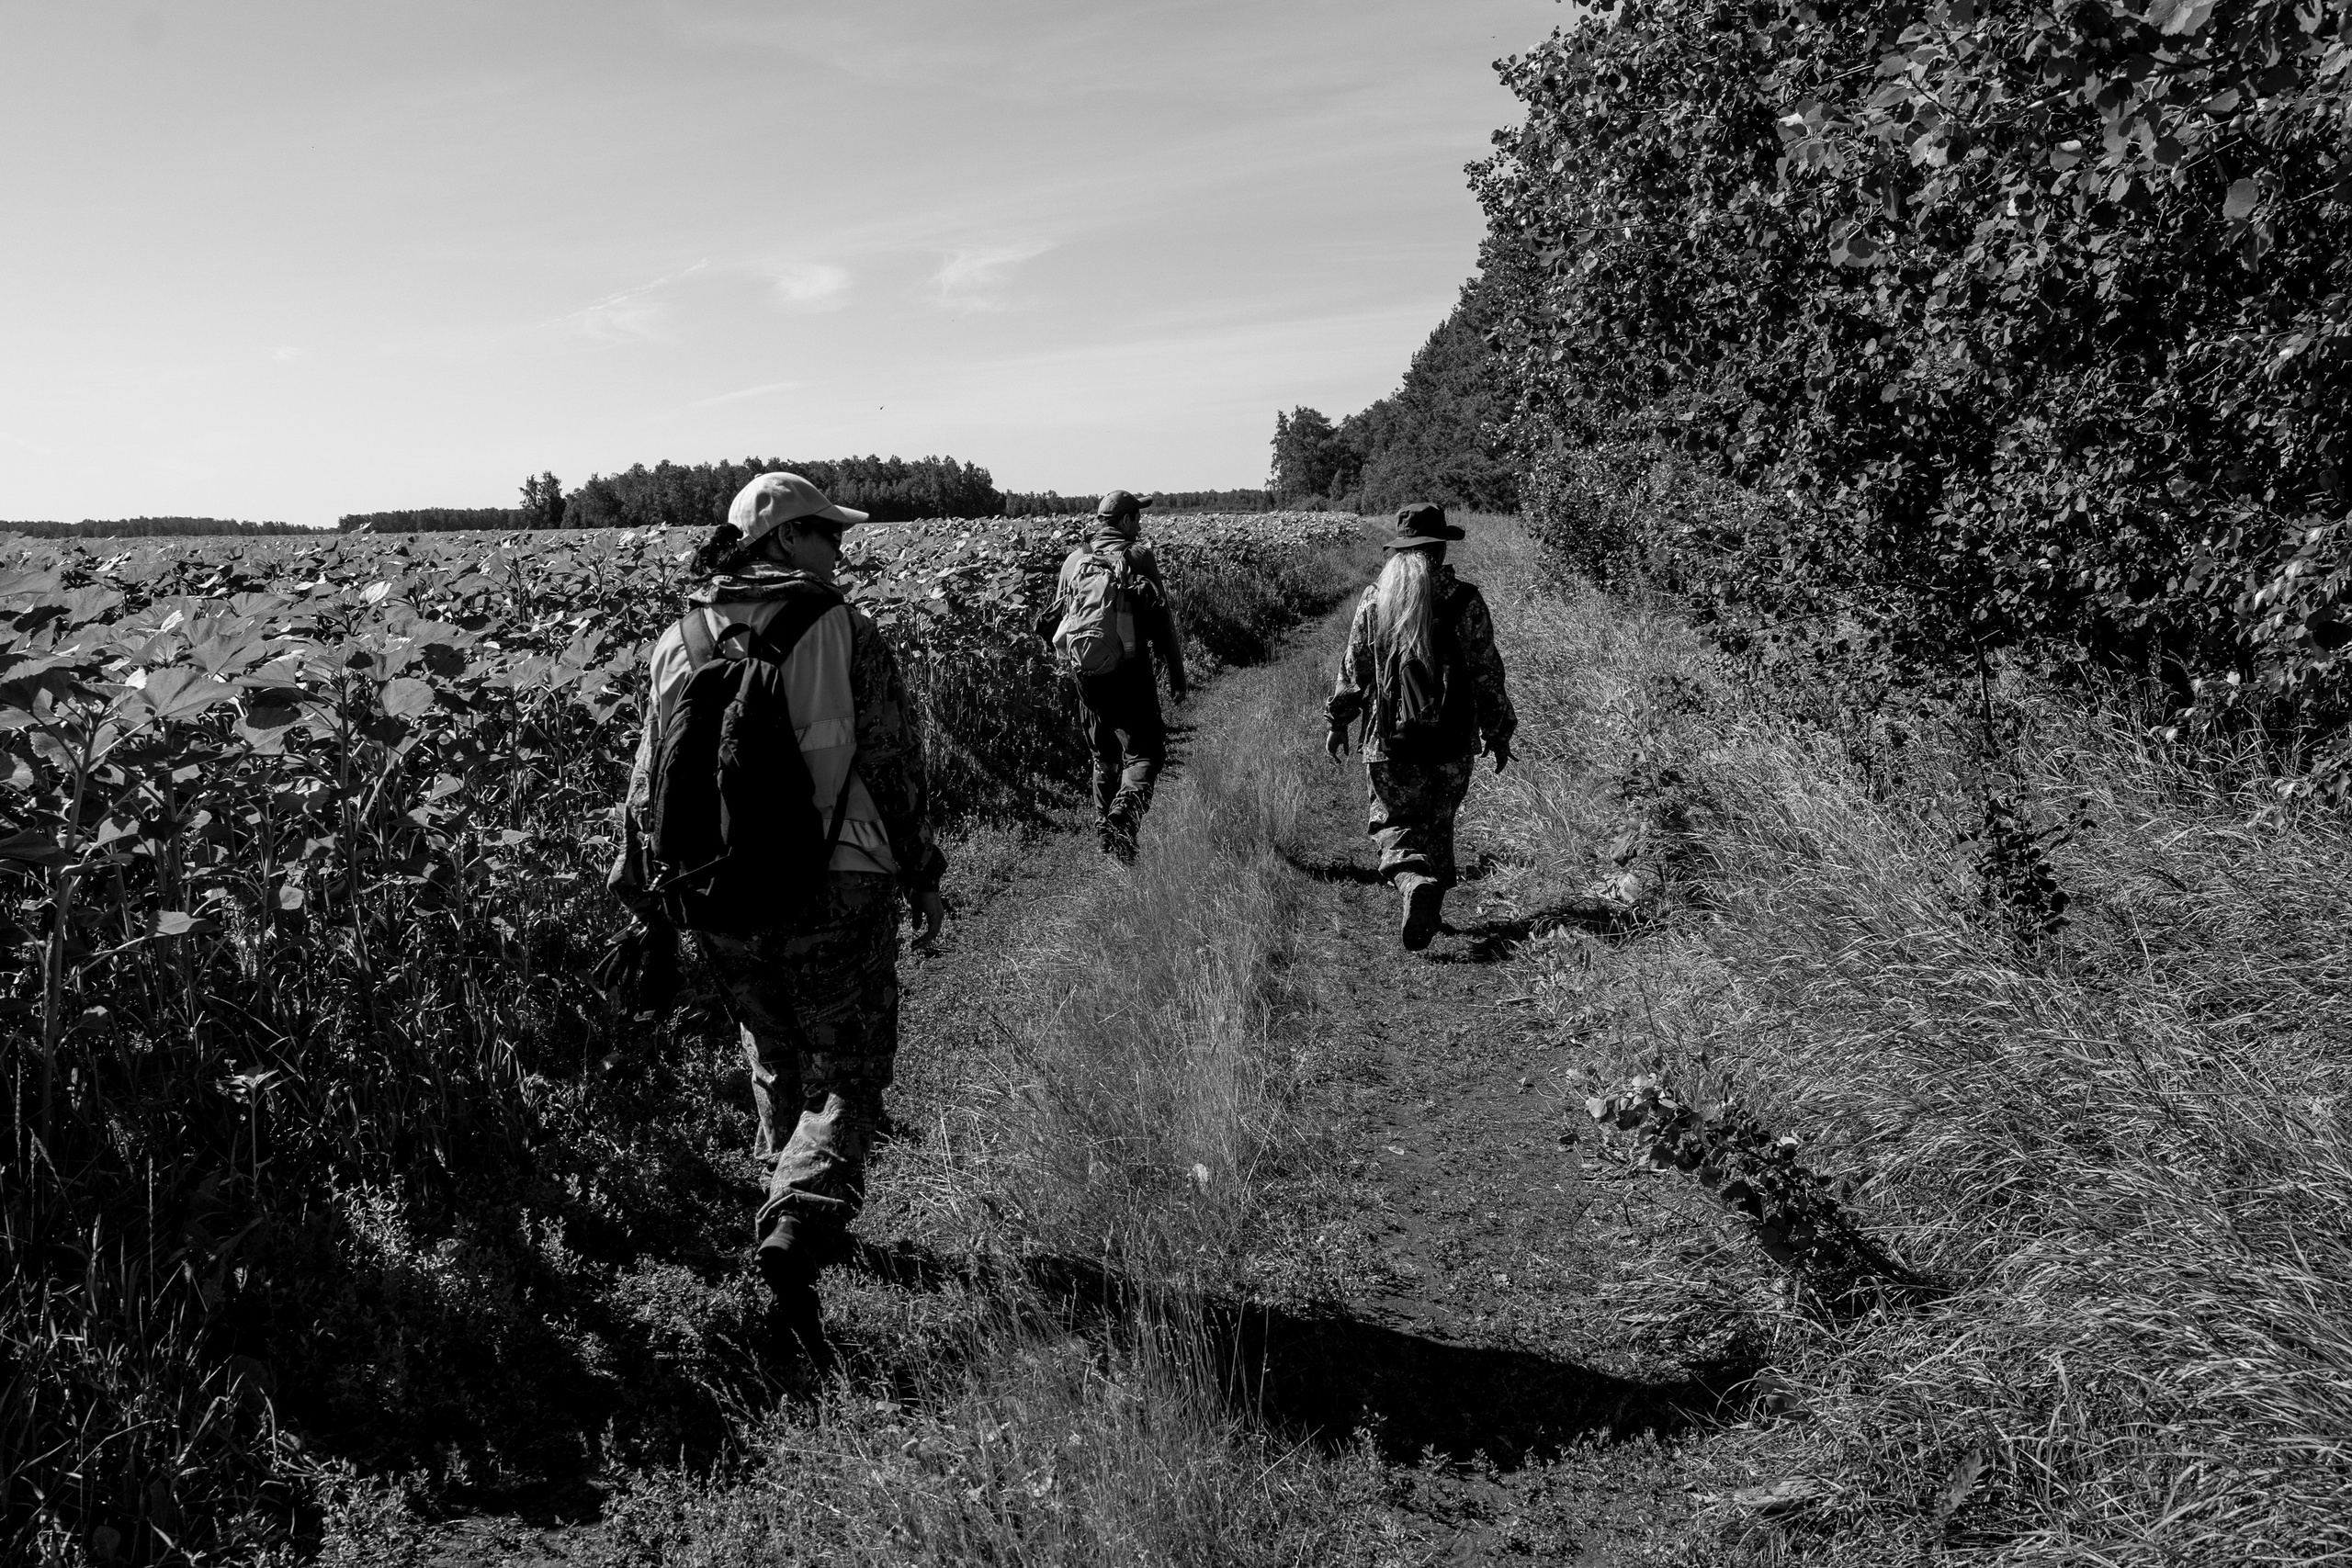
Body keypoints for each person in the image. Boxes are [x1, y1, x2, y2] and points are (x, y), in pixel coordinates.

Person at [607, 470, 947, 1371]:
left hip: (718, 897)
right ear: (788, 540)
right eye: (827, 533)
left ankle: (781, 1222)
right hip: (837, 888)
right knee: (846, 1076)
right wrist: (921, 873)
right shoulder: (844, 632)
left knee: (772, 1055)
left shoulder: (680, 635)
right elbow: (892, 767)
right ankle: (795, 1221)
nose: (841, 548)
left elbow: (647, 782)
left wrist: (645, 895)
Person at [1325, 502, 1516, 951]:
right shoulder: (1466, 601)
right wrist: (1498, 731)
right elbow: (1487, 672)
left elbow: (1355, 673)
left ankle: (1412, 882)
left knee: (1393, 823)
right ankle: (1431, 899)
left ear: (1399, 550)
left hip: (1390, 741)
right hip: (1452, 742)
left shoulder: (1377, 600)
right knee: (1439, 821)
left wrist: (1338, 721)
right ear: (1441, 546)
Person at [1034, 489, 1189, 862]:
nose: (1140, 524)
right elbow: (1163, 620)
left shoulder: (1074, 560)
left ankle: (1108, 838)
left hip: (1085, 671)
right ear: (1123, 522)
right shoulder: (1138, 556)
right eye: (1137, 517)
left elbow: (1058, 621)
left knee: (1103, 755)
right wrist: (1177, 674)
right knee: (1145, 752)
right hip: (1130, 670)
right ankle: (1123, 817)